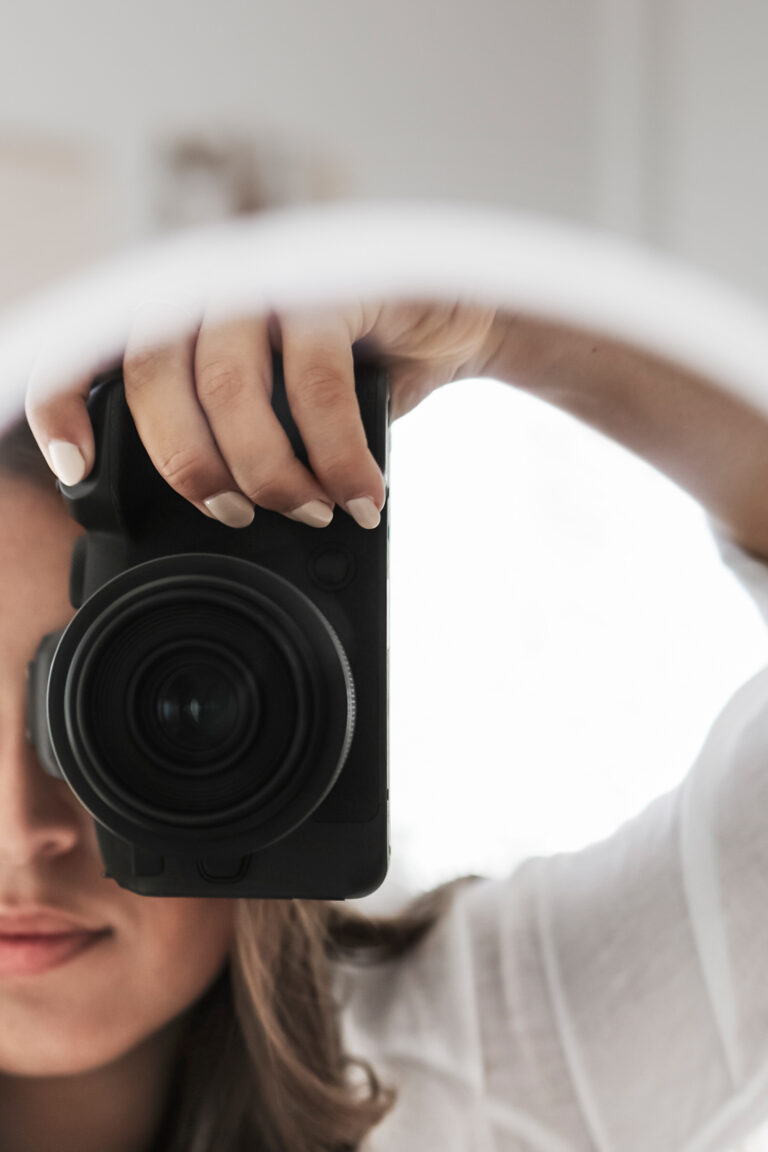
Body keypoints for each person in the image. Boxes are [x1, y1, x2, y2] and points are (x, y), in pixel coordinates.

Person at [1, 297, 768, 1152]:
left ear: (287, 708)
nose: (23, 835)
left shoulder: (495, 1059)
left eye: (109, 710)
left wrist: (506, 327)